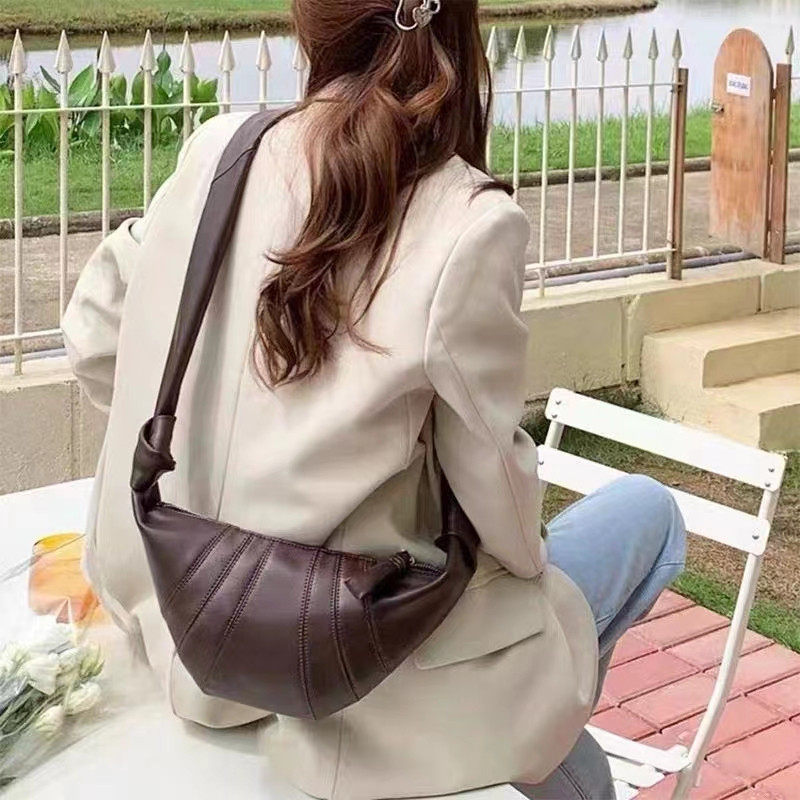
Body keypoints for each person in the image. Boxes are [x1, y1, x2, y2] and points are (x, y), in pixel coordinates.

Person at [63, 1, 686, 797]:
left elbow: (94, 342)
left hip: (167, 623)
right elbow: (500, 506)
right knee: (646, 517)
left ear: (310, 21)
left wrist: (213, 452)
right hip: (346, 671)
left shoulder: (218, 153)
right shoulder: (466, 221)